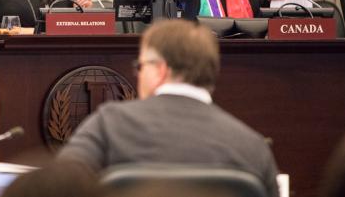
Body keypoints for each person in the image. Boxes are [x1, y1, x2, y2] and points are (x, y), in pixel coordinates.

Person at [57, 19, 280, 197]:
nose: (138, 74)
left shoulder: (108, 124)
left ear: (160, 70)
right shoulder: (253, 147)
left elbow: (56, 188)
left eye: (141, 66)